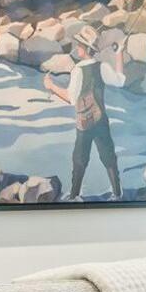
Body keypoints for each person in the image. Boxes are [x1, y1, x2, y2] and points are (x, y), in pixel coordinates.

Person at [48, 25, 128, 199]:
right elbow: (120, 81)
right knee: (109, 157)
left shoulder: (77, 70)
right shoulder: (102, 67)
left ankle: (74, 196)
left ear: (85, 49)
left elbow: (70, 98)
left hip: (84, 122)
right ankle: (117, 194)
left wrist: (51, 86)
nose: (77, 48)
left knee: (79, 160)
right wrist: (119, 52)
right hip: (101, 120)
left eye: (79, 45)